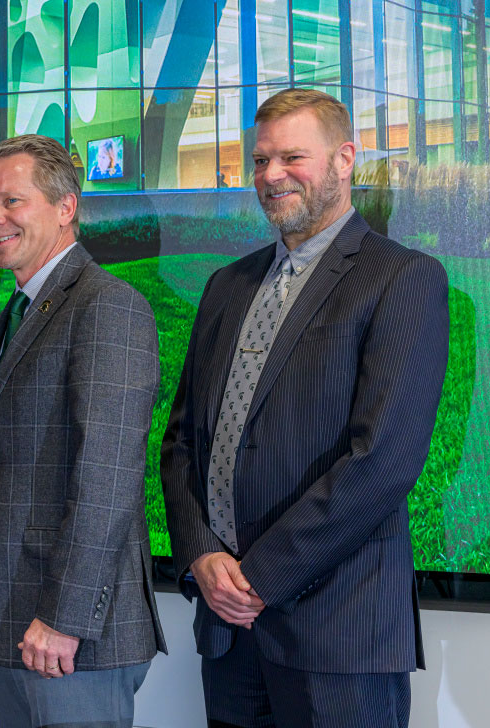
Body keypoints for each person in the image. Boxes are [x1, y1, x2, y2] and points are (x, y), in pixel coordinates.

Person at [160, 88, 449, 727]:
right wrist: (202, 557)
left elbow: (384, 462)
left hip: (337, 637)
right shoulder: (227, 285)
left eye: (292, 157)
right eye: (260, 160)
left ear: (345, 159)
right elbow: (183, 441)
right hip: (229, 638)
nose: (270, 176)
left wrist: (257, 577)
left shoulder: (402, 278)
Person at [0, 134, 167, 728]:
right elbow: (9, 458)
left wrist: (66, 616)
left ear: (65, 207)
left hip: (68, 632)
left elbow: (109, 476)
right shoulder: (20, 310)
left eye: (11, 201)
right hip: (18, 616)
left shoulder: (105, 306)